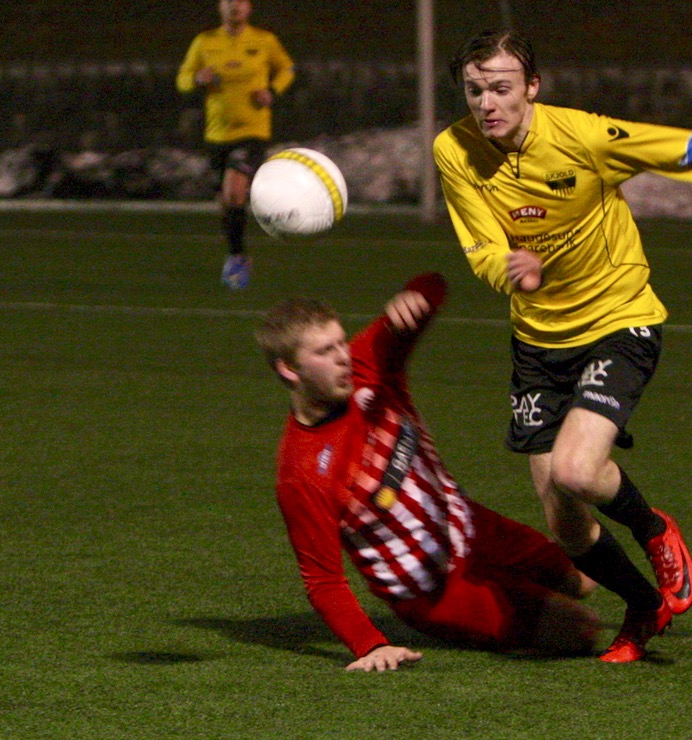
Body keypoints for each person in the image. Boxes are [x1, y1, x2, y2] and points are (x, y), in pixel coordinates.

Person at [433, 29, 692, 662]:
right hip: (537, 343)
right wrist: (509, 269)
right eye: (475, 91)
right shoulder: (454, 149)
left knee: (576, 471)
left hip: (619, 320)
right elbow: (480, 245)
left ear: (533, 87)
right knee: (565, 521)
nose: (487, 103)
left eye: (501, 88)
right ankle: (643, 608)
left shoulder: (585, 137)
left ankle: (653, 528)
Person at [258, 272, 602, 672]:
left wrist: (415, 296)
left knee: (584, 579)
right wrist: (370, 646)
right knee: (581, 630)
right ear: (289, 370)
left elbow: (434, 285)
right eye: (324, 351)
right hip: (437, 592)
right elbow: (323, 581)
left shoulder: (367, 364)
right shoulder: (302, 473)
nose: (342, 356)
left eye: (341, 342)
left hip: (472, 527)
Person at [176, 0, 294, 290]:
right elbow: (182, 79)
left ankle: (237, 260)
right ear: (220, 7)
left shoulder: (264, 40)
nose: (235, 6)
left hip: (252, 130)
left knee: (234, 191)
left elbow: (287, 68)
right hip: (217, 135)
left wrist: (272, 91)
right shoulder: (205, 41)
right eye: (229, 1)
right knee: (226, 203)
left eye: (240, 1)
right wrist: (197, 78)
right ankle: (236, 254)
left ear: (249, 7)